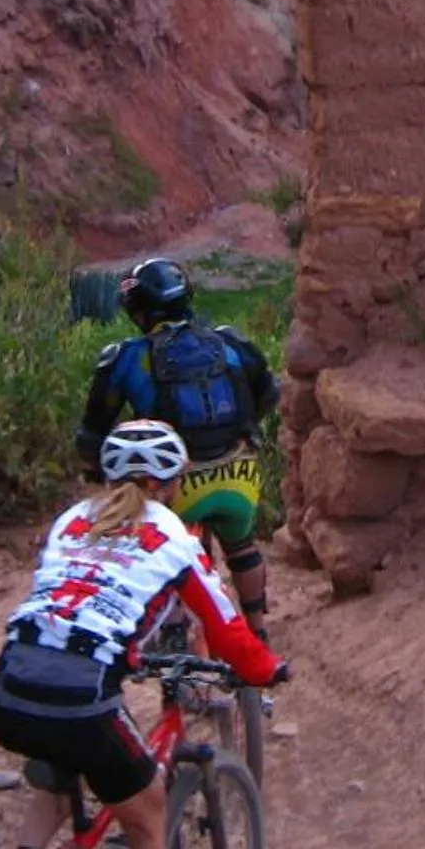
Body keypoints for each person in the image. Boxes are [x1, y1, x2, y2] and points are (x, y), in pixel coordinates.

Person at [0, 419, 287, 849]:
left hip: (9, 682)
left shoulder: (71, 520)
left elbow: (71, 596)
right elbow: (226, 628)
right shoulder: (175, 538)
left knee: (62, 756)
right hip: (84, 695)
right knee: (147, 819)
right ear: (173, 484)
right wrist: (264, 669)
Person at [76, 258, 283, 640]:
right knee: (241, 546)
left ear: (138, 310)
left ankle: (174, 641)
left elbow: (93, 434)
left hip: (174, 483)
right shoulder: (231, 342)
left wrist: (97, 471)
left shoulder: (126, 357)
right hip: (239, 477)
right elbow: (269, 394)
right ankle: (258, 631)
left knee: (170, 555)